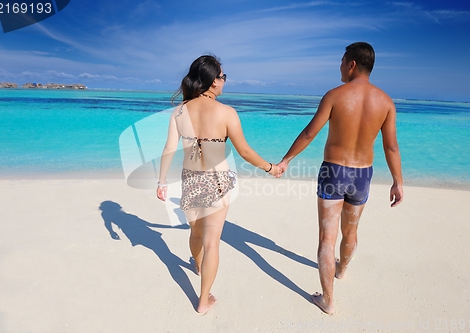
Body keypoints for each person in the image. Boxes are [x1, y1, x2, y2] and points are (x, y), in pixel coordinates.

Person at [277, 42, 403, 314]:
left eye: (342, 61)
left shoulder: (334, 95)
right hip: (362, 174)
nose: (340, 66)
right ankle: (342, 270)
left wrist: (286, 160)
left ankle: (328, 301)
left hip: (333, 171)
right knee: (351, 230)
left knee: (326, 237)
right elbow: (391, 146)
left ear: (352, 64)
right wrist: (397, 181)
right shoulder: (386, 102)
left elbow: (310, 133)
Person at [156, 55, 280, 314]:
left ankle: (198, 266)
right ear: (213, 82)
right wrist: (270, 168)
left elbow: (169, 148)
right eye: (223, 77)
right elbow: (244, 152)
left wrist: (161, 181)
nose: (224, 81)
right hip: (217, 182)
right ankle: (203, 300)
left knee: (196, 233)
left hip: (190, 180)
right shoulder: (226, 112)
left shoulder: (179, 111)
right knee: (212, 242)